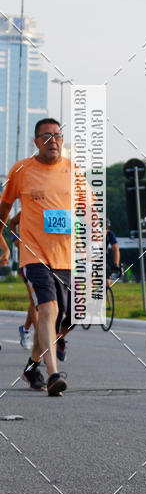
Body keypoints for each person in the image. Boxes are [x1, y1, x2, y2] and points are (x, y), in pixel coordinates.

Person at [0, 118, 71, 395]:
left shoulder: (73, 171)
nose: (53, 141)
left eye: (57, 135)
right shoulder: (21, 170)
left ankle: (32, 367)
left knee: (66, 319)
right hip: (34, 256)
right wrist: (4, 245)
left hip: (65, 257)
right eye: (46, 136)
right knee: (48, 310)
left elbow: (88, 212)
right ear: (36, 141)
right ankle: (54, 375)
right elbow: (4, 211)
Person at [8, 211, 37, 350]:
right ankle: (43, 339)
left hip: (50, 261)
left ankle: (25, 329)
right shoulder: (28, 208)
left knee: (41, 302)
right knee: (35, 301)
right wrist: (15, 240)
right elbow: (12, 222)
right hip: (28, 261)